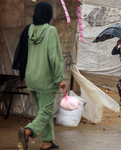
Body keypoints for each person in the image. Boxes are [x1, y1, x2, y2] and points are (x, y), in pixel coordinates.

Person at [16, 2, 66, 150]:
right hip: (46, 79)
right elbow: (54, 57)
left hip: (32, 78)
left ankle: (47, 142)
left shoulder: (29, 29)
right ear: (48, 14)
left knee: (44, 111)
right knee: (46, 111)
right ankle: (27, 131)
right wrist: (59, 78)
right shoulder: (51, 31)